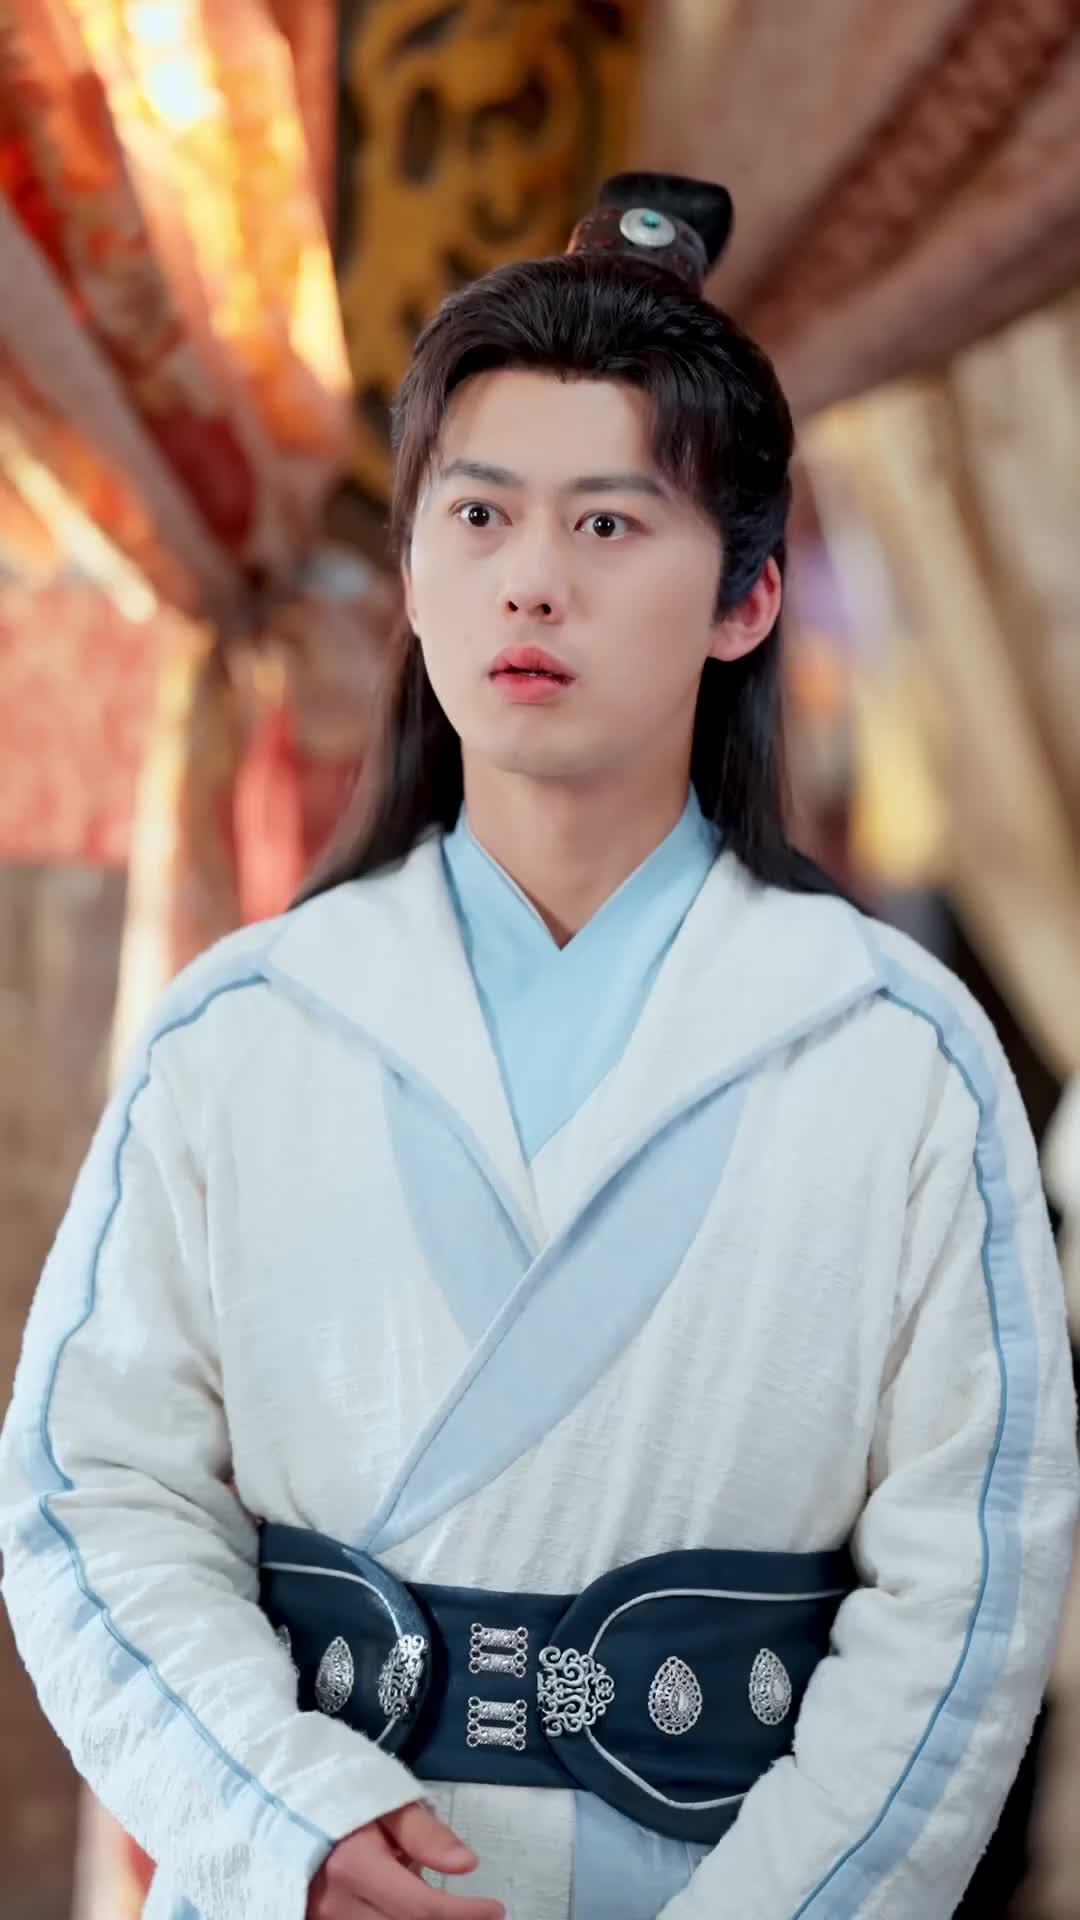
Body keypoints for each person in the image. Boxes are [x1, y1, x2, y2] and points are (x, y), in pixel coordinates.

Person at [1, 173, 1076, 1920]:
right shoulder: (242, 1032)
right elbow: (88, 1493)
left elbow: (970, 1578)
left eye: (609, 525)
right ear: (415, 568)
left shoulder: (893, 1055)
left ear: (746, 600)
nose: (532, 584)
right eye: (481, 515)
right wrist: (286, 1824)